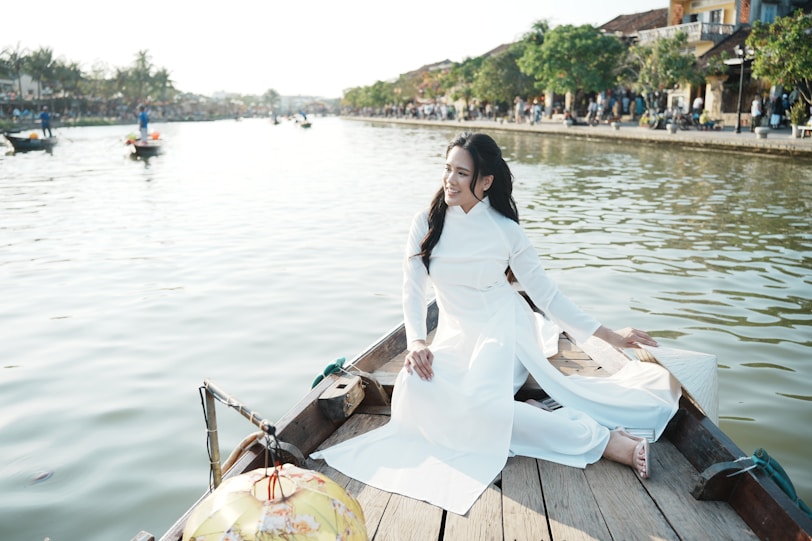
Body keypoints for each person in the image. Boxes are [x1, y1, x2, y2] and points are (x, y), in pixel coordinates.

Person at [312, 132, 680, 515]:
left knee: (484, 407)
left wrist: (611, 336)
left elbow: (548, 297)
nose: (450, 180)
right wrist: (418, 342)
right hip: (454, 334)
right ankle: (541, 414)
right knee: (415, 390)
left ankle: (605, 441)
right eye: (447, 169)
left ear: (485, 181)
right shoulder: (426, 222)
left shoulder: (506, 230)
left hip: (503, 330)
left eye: (461, 173)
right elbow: (413, 290)